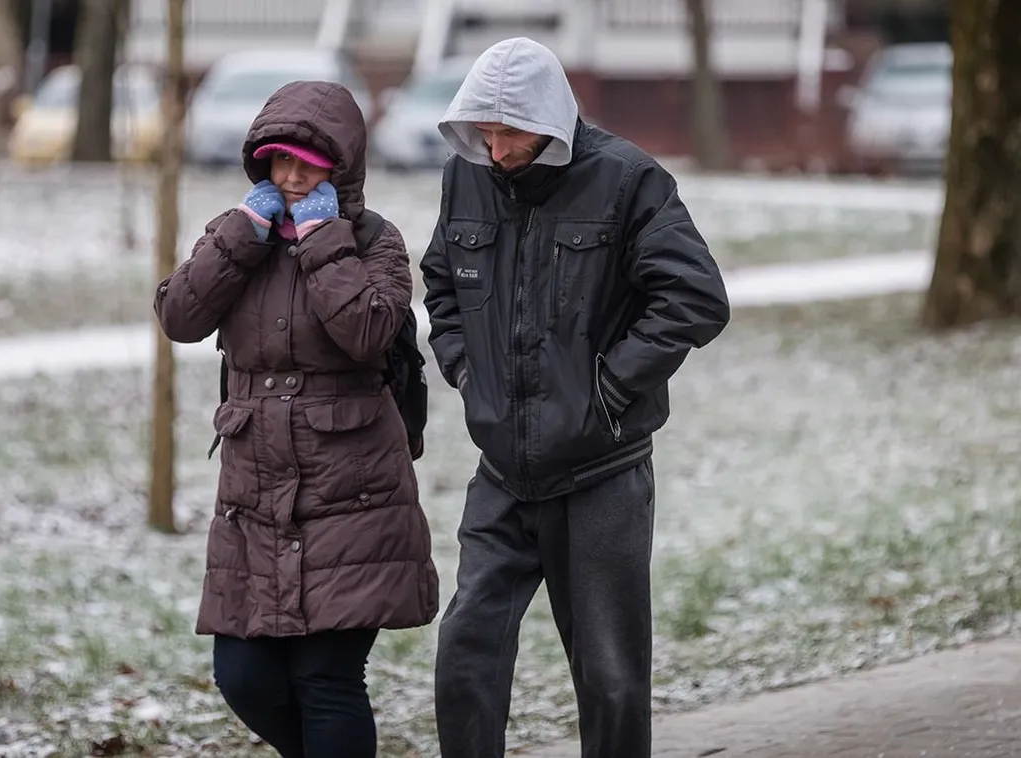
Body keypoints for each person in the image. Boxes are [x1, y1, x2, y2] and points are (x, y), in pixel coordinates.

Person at [421, 37, 731, 758]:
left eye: (510, 134)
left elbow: (694, 298)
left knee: (610, 676)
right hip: (501, 472)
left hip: (601, 475)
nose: (495, 150)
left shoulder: (626, 180)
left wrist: (608, 391)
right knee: (467, 647)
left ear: (551, 123)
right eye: (484, 132)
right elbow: (440, 283)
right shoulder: (463, 178)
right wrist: (468, 373)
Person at [154, 80, 438, 758]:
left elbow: (370, 332)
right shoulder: (237, 235)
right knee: (245, 677)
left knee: (325, 676)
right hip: (254, 497)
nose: (289, 177)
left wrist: (319, 240)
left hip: (351, 491)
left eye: (307, 164)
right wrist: (240, 237)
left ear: (340, 169)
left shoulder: (374, 241)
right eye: (278, 162)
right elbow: (179, 317)